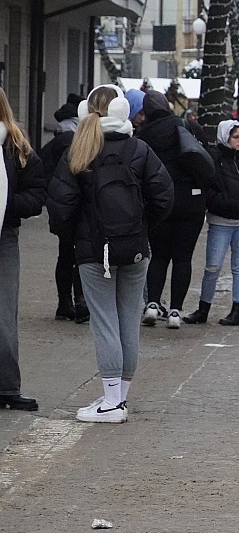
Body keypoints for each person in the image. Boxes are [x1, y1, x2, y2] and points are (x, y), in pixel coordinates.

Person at [47, 85, 174, 423]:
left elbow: (61, 206)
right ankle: (118, 399)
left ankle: (111, 402)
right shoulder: (140, 149)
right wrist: (142, 227)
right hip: (135, 249)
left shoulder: (80, 149)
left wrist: (73, 238)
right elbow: (164, 197)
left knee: (104, 323)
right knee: (128, 322)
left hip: (93, 252)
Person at [136, 91, 217, 328]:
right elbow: (207, 158)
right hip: (191, 202)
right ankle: (175, 311)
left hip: (159, 203)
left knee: (159, 256)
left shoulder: (144, 136)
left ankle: (152, 304)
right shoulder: (188, 126)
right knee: (183, 258)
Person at [182, 120, 239, 327]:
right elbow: (207, 188)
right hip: (220, 223)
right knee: (212, 267)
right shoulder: (214, 159)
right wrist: (221, 203)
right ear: (225, 137)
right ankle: (203, 309)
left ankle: (237, 310)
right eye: (235, 137)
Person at [0, 89, 46, 412]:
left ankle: (6, 387)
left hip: (4, 237)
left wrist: (6, 205)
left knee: (4, 313)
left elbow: (37, 193)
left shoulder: (16, 146)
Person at [38, 93, 88, 323]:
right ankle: (78, 302)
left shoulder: (56, 141)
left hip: (59, 206)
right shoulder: (72, 142)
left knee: (65, 254)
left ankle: (64, 303)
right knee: (79, 255)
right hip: (74, 207)